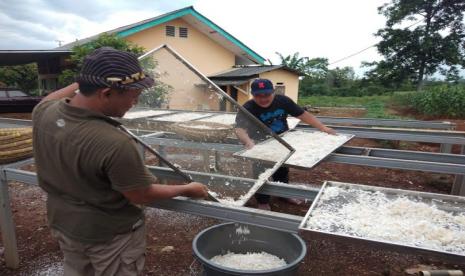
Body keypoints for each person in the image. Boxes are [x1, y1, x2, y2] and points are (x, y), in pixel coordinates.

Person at [32, 47, 208, 275]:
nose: (135, 102)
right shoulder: (113, 142)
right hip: (109, 236)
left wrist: (87, 77)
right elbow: (140, 194)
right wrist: (187, 188)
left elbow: (51, 98)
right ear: (105, 93)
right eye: (133, 95)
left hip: (66, 224)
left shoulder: (44, 112)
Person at [235, 78, 336, 210]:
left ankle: (283, 194)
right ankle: (263, 200)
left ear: (273, 92)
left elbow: (303, 115)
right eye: (258, 96)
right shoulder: (248, 107)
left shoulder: (283, 101)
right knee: (261, 174)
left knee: (282, 170)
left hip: (282, 141)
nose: (263, 99)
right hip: (260, 145)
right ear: (252, 94)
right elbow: (239, 129)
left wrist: (323, 128)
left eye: (267, 95)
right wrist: (248, 141)